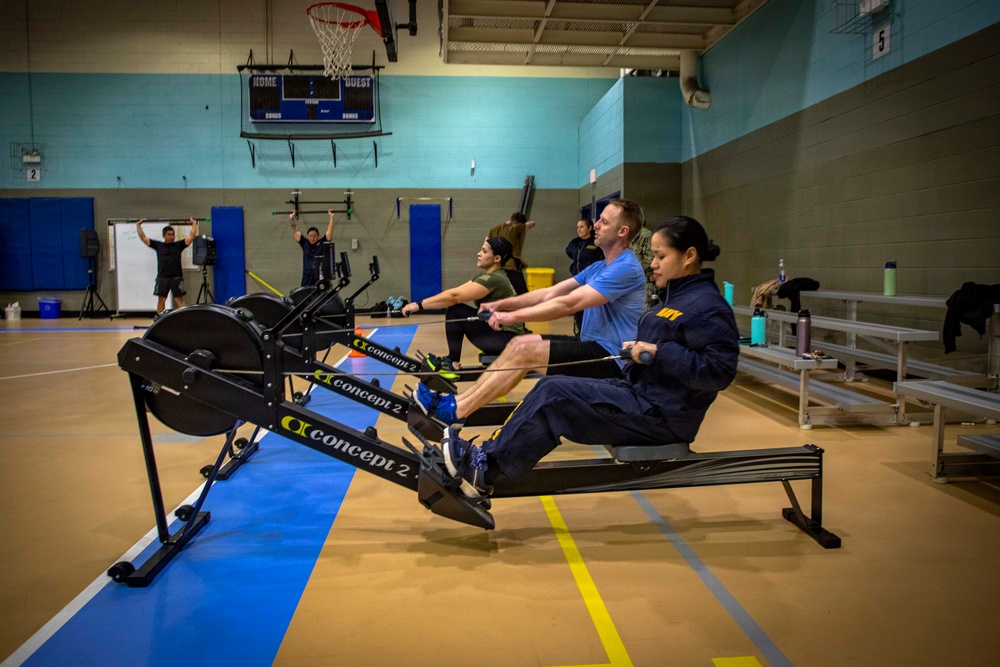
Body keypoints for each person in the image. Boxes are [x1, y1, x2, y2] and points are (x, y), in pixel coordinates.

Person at [436, 215, 740, 499]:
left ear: (688, 256)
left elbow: (719, 371)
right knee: (550, 386)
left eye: (661, 257)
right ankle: (487, 459)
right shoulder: (675, 296)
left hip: (661, 415)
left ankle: (484, 470)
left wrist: (659, 351)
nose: (654, 264)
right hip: (638, 393)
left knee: (555, 397)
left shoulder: (707, 307)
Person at [416, 198, 647, 424]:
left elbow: (568, 304)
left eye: (604, 222)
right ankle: (456, 403)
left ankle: (455, 411)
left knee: (526, 351)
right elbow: (549, 293)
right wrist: (501, 304)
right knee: (518, 344)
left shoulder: (625, 268)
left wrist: (511, 317)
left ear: (622, 231)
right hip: (592, 346)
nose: (595, 225)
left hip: (613, 360)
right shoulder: (599, 267)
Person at [400, 237, 526, 371]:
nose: (479, 253)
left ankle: (453, 363)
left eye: (484, 251)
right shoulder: (487, 276)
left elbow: (454, 297)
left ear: (497, 259)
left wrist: (417, 306)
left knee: (456, 311)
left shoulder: (494, 279)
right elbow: (456, 292)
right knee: (458, 309)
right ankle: (452, 360)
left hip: (507, 340)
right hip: (502, 336)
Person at [137, 218, 198, 314]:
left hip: (176, 277)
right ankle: (159, 320)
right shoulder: (158, 245)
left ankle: (184, 319)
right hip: (162, 278)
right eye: (169, 235)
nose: (172, 236)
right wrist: (138, 226)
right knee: (161, 300)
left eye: (173, 234)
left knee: (180, 300)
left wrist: (194, 224)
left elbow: (191, 236)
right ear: (164, 236)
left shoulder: (178, 245)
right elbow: (143, 238)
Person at [565, 217, 604, 336]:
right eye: (577, 227)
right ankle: (580, 335)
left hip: (591, 283)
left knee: (591, 310)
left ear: (590, 228)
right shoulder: (575, 243)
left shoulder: (596, 244)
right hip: (576, 282)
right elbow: (569, 252)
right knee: (578, 310)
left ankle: (591, 334)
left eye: (582, 227)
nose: (579, 230)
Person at [488, 212, 535, 295]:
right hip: (511, 267)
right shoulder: (514, 228)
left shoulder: (494, 229)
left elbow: (486, 244)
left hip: (498, 267)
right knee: (523, 294)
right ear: (515, 222)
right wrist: (520, 226)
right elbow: (532, 224)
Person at [291, 209, 336, 287]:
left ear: (318, 236)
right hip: (307, 277)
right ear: (308, 236)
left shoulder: (322, 243)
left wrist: (331, 217)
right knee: (305, 297)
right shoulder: (304, 243)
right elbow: (295, 231)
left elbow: (330, 231)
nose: (312, 238)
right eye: (310, 236)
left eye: (314, 236)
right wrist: (292, 218)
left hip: (319, 277)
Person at [630, 219, 656, 308]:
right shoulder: (628, 234)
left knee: (643, 312)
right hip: (631, 283)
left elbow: (649, 261)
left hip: (645, 282)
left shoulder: (645, 234)